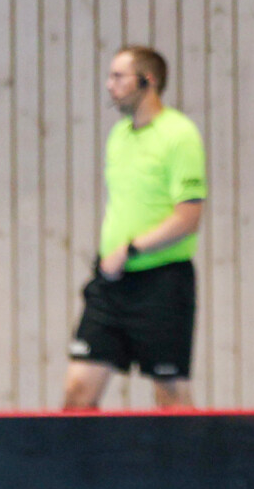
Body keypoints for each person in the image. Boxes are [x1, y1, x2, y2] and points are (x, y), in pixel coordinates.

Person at [63, 46, 206, 410]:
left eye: (118, 77)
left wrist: (130, 250)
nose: (109, 85)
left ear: (147, 81)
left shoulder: (179, 134)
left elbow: (188, 217)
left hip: (162, 285)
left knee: (171, 398)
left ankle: (191, 452)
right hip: (112, 286)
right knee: (77, 392)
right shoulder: (119, 136)